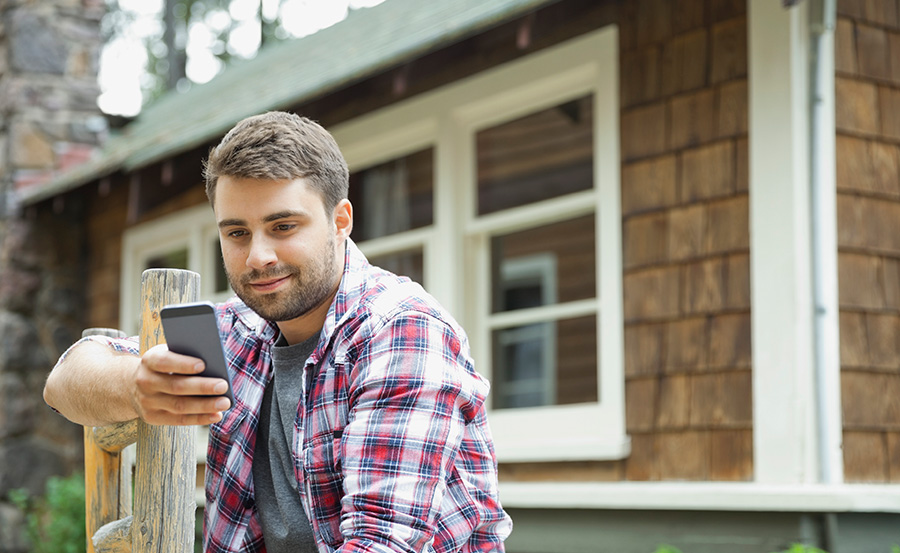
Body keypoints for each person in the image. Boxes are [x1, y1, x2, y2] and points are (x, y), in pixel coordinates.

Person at [44, 111, 512, 553]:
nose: (257, 257)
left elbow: (381, 543)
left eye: (282, 226)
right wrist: (135, 385)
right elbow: (64, 380)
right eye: (237, 233)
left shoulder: (402, 330)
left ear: (340, 221)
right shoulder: (239, 329)